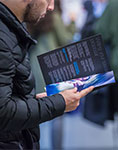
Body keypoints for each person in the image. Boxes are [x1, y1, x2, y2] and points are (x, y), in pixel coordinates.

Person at [0, 0, 94, 149]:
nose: (51, 6)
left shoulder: (12, 27)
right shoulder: (4, 35)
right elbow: (3, 111)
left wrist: (37, 102)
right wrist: (60, 103)